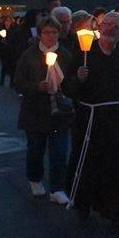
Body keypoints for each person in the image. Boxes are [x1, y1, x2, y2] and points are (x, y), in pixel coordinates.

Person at [63, 11, 119, 234]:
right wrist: (79, 79)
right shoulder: (84, 55)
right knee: (89, 164)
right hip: (91, 121)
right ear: (100, 28)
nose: (110, 29)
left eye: (116, 27)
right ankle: (83, 202)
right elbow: (68, 88)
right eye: (107, 25)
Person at [15, 16, 74, 204]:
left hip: (60, 112)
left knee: (59, 151)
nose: (51, 36)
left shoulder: (65, 55)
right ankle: (35, 178)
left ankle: (57, 187)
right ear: (40, 34)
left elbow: (71, 81)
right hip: (35, 111)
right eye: (47, 32)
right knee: (36, 149)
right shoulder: (28, 55)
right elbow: (18, 83)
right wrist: (36, 87)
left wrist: (75, 80)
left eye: (55, 32)